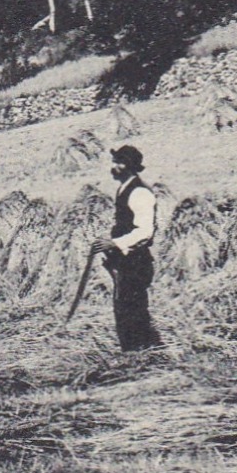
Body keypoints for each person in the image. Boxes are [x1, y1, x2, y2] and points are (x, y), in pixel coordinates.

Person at [90, 144, 163, 351]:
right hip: (125, 260)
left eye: (120, 163)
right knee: (123, 308)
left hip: (136, 261)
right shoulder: (124, 189)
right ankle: (134, 352)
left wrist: (115, 242)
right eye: (115, 162)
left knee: (133, 309)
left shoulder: (140, 193)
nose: (115, 167)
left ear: (131, 166)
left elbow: (145, 231)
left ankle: (142, 353)